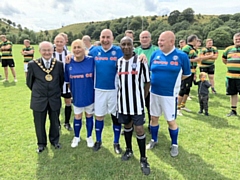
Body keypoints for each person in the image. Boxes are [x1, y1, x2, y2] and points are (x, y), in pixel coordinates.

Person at [146, 31, 191, 157]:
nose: (159, 42)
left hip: (169, 95)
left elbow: (186, 74)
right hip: (154, 93)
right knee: (154, 118)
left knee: (170, 121)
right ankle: (154, 140)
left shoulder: (181, 56)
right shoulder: (155, 54)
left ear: (171, 42)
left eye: (162, 40)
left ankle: (174, 144)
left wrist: (173, 83)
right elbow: (151, 70)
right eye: (159, 40)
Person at [117, 36, 150, 175]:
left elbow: (147, 82)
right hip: (123, 104)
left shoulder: (140, 61)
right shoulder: (118, 62)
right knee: (127, 127)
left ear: (133, 46)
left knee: (140, 129)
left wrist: (142, 97)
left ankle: (143, 158)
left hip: (137, 104)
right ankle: (129, 150)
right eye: (123, 44)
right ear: (120, 47)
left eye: (128, 44)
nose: (126, 47)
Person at [88, 29, 124, 154]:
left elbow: (132, 57)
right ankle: (98, 140)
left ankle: (116, 142)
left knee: (115, 117)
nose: (105, 40)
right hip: (98, 90)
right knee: (99, 116)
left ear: (113, 38)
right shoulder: (94, 51)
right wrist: (70, 55)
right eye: (103, 37)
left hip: (114, 90)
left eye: (108, 37)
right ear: (100, 38)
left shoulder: (119, 51)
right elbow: (81, 57)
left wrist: (141, 56)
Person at [26, 41, 64, 153]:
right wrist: (39, 92)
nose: (47, 52)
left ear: (53, 50)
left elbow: (60, 81)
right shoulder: (33, 64)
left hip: (54, 98)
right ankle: (41, 144)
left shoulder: (59, 64)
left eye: (49, 50)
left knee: (55, 121)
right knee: (39, 123)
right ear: (40, 51)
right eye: (44, 50)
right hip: (39, 99)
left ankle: (55, 141)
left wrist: (54, 92)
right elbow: (29, 82)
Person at [65, 39, 94, 148]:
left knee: (89, 115)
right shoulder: (69, 63)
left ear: (84, 49)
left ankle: (89, 137)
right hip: (77, 95)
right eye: (74, 48)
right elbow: (68, 82)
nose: (77, 50)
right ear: (72, 50)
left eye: (79, 47)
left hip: (89, 94)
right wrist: (73, 93)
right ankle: (76, 137)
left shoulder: (91, 60)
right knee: (77, 116)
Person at [134, 30, 158, 132]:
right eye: (142, 37)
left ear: (150, 39)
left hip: (151, 83)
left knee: (150, 106)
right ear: (139, 39)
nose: (144, 39)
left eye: (146, 37)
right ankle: (132, 124)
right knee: (136, 105)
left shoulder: (156, 50)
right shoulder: (135, 50)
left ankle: (151, 124)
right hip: (137, 84)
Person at [177, 35, 201, 116]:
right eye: (196, 40)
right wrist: (195, 59)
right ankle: (177, 108)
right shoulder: (186, 48)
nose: (197, 42)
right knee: (183, 89)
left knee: (188, 89)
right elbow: (182, 59)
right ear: (193, 40)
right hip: (186, 72)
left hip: (192, 71)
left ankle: (183, 105)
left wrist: (195, 73)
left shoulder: (193, 49)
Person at [53, 34, 73, 131]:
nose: (59, 43)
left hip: (66, 84)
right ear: (54, 42)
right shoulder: (50, 54)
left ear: (65, 42)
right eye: (57, 41)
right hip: (54, 84)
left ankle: (67, 122)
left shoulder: (69, 54)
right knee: (55, 104)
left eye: (61, 41)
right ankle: (57, 123)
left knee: (68, 102)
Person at [222, 32, 240, 117]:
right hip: (231, 76)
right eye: (236, 39)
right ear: (233, 40)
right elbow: (224, 59)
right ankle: (233, 110)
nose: (238, 41)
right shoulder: (228, 49)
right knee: (233, 93)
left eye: (239, 39)